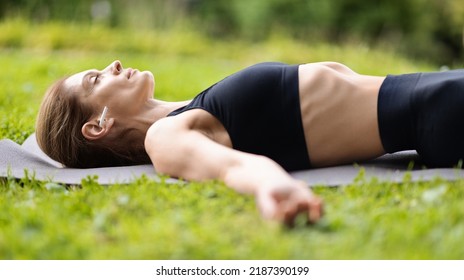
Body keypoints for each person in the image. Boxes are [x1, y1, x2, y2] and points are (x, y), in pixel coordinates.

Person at [36, 60, 464, 226]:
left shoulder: (183, 110)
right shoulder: (165, 137)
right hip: (432, 114)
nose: (112, 65)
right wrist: (275, 188)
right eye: (96, 79)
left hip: (429, 95)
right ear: (96, 126)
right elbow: (232, 166)